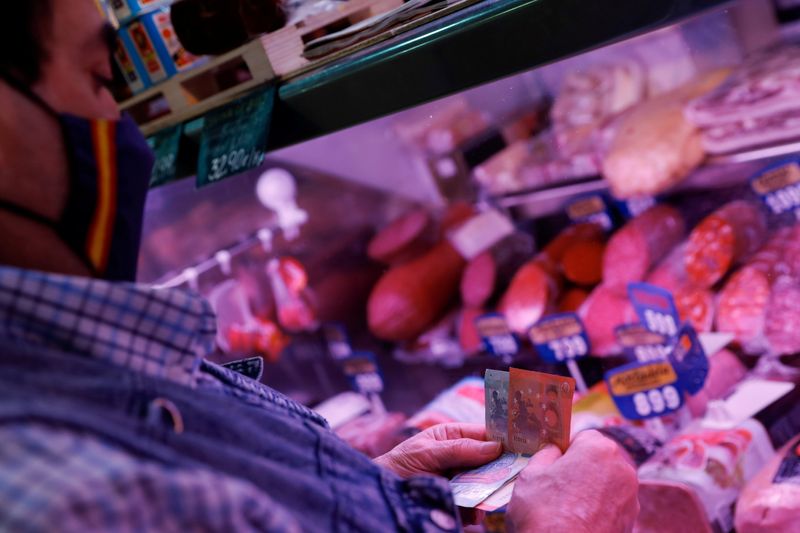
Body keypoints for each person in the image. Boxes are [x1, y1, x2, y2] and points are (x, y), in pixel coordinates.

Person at [0, 1, 639, 531]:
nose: (123, 128)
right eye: (101, 80)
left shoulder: (58, 362)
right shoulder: (60, 496)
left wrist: (373, 491)